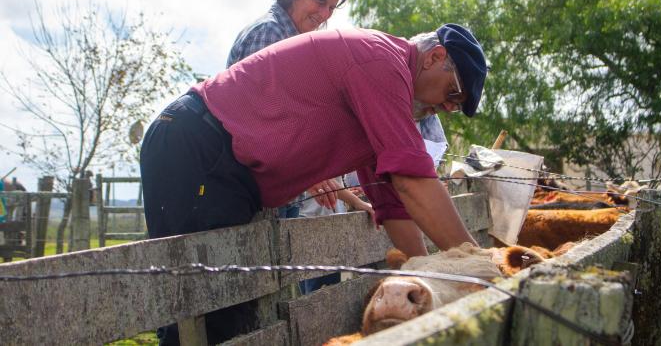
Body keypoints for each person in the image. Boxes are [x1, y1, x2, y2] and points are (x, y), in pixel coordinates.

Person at [140, 22, 487, 344]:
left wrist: (427, 279)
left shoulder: (386, 89)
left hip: (226, 166)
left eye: (454, 106)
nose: (445, 106)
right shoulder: (381, 62)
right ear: (436, 57)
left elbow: (394, 204)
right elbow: (413, 183)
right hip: (199, 146)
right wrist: (480, 269)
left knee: (231, 305)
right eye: (453, 94)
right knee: (199, 306)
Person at [226, 0, 362, 218]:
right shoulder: (270, 34)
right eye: (320, 2)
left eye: (332, 8)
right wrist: (305, 175)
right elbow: (258, 120)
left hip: (278, 184)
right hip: (251, 182)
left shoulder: (293, 40)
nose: (324, 15)